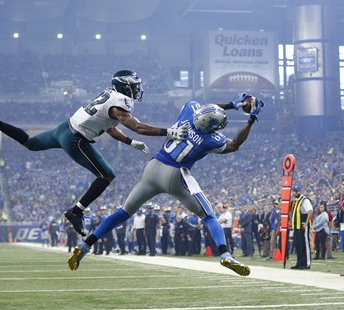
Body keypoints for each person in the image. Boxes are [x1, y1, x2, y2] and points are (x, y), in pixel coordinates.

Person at [0, 70, 188, 236]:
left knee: (31, 143)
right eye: (134, 86)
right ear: (124, 86)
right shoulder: (120, 103)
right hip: (75, 138)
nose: (137, 89)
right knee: (107, 175)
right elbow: (137, 126)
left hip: (65, 128)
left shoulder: (110, 97)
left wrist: (130, 143)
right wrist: (168, 131)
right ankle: (77, 211)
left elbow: (109, 127)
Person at [68, 95, 264, 276]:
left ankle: (85, 246)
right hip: (175, 175)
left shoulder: (189, 111)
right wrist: (251, 118)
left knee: (123, 212)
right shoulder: (211, 139)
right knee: (209, 216)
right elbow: (236, 144)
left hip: (152, 169)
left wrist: (232, 104)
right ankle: (225, 254)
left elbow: (205, 108)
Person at [290, 184, 313, 269]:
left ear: (300, 191)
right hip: (296, 226)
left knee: (305, 244)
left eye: (296, 191)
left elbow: (310, 211)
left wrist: (306, 223)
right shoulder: (295, 201)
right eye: (294, 191)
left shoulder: (304, 200)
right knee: (298, 245)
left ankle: (306, 263)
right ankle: (299, 262)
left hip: (303, 224)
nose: (295, 193)